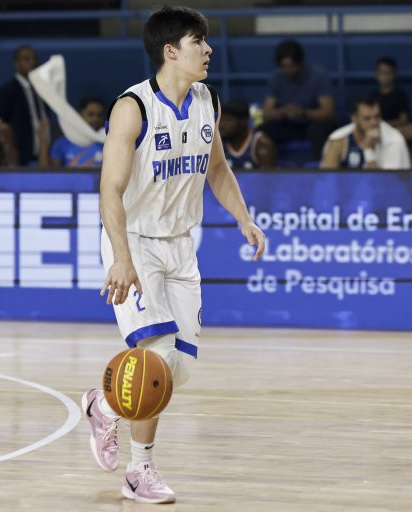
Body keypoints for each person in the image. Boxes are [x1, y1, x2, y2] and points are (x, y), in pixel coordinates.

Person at [81, 6, 265, 504]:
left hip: (182, 246)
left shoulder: (209, 101)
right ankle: (140, 471)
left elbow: (218, 169)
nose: (208, 49)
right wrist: (121, 258)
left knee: (176, 371)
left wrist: (244, 218)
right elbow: (109, 189)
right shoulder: (132, 108)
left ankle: (104, 406)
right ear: (170, 51)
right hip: (135, 243)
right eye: (197, 41)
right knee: (156, 355)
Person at [260, 39, 336, 159]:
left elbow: (328, 112)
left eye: (291, 66)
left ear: (300, 63)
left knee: (318, 130)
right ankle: (270, 166)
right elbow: (266, 114)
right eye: (284, 67)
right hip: (288, 124)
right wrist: (282, 112)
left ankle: (321, 166)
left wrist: (302, 113)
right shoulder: (275, 77)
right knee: (265, 130)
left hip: (311, 123)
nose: (288, 70)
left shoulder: (318, 75)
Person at [0, 45, 50, 165]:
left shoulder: (44, 90)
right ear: (16, 63)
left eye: (34, 58)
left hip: (44, 159)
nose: (32, 62)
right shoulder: (5, 93)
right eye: (26, 59)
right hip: (19, 162)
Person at [321, 95, 410, 170]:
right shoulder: (340, 140)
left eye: (377, 117)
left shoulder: (394, 140)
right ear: (354, 119)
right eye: (367, 118)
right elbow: (327, 178)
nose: (374, 122)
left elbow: (385, 182)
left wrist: (368, 149)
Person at [45, 97, 106, 168]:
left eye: (99, 115)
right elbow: (49, 172)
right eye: (90, 114)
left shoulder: (108, 142)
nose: (95, 119)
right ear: (80, 116)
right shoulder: (62, 142)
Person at [219, 99, 276, 169]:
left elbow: (270, 175)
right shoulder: (217, 143)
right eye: (221, 120)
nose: (222, 125)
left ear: (244, 122)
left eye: (228, 120)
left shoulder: (261, 143)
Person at [370, 57, 410, 128]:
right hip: (376, 128)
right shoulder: (371, 96)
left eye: (388, 73)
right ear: (377, 74)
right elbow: (369, 119)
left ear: (394, 74)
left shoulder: (401, 95)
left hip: (397, 129)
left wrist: (385, 125)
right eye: (382, 72)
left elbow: (404, 120)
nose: (385, 76)